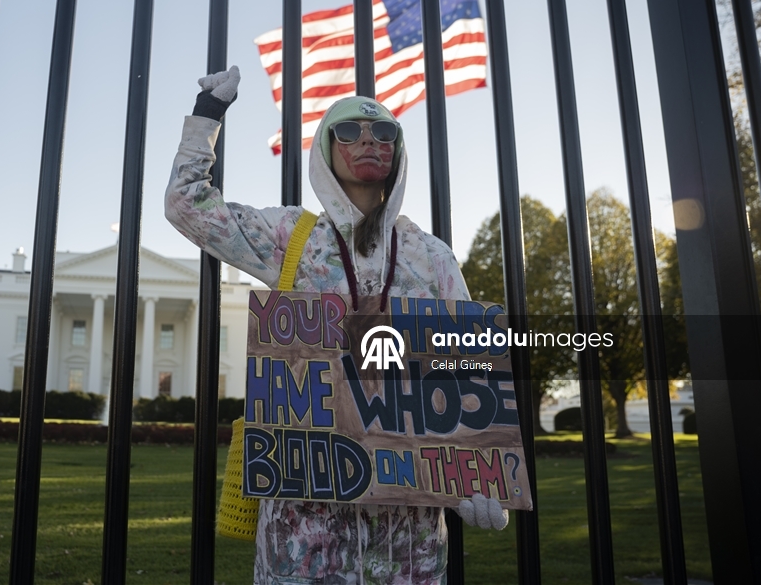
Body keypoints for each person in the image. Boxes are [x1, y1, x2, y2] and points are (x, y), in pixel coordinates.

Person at [166, 66, 509, 584]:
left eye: (384, 132)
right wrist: (208, 115)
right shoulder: (290, 236)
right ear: (325, 150)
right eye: (348, 131)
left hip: (408, 543)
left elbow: (465, 368)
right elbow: (187, 205)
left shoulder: (432, 257)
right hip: (302, 534)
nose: (368, 140)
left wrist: (476, 472)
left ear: (399, 152)